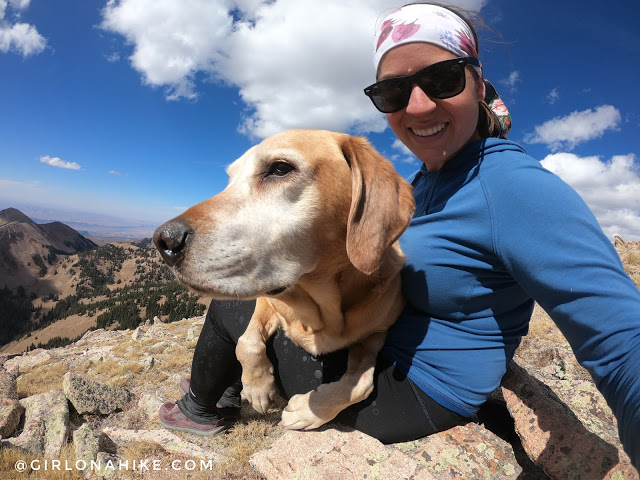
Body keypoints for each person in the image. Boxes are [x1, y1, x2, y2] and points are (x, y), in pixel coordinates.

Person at [159, 2, 640, 468]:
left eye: (443, 78)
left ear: (478, 85)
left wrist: (341, 391)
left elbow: (623, 343)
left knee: (229, 306)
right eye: (393, 92)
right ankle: (224, 387)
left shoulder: (514, 187)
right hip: (383, 350)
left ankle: (201, 408)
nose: (418, 104)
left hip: (416, 389)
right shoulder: (431, 177)